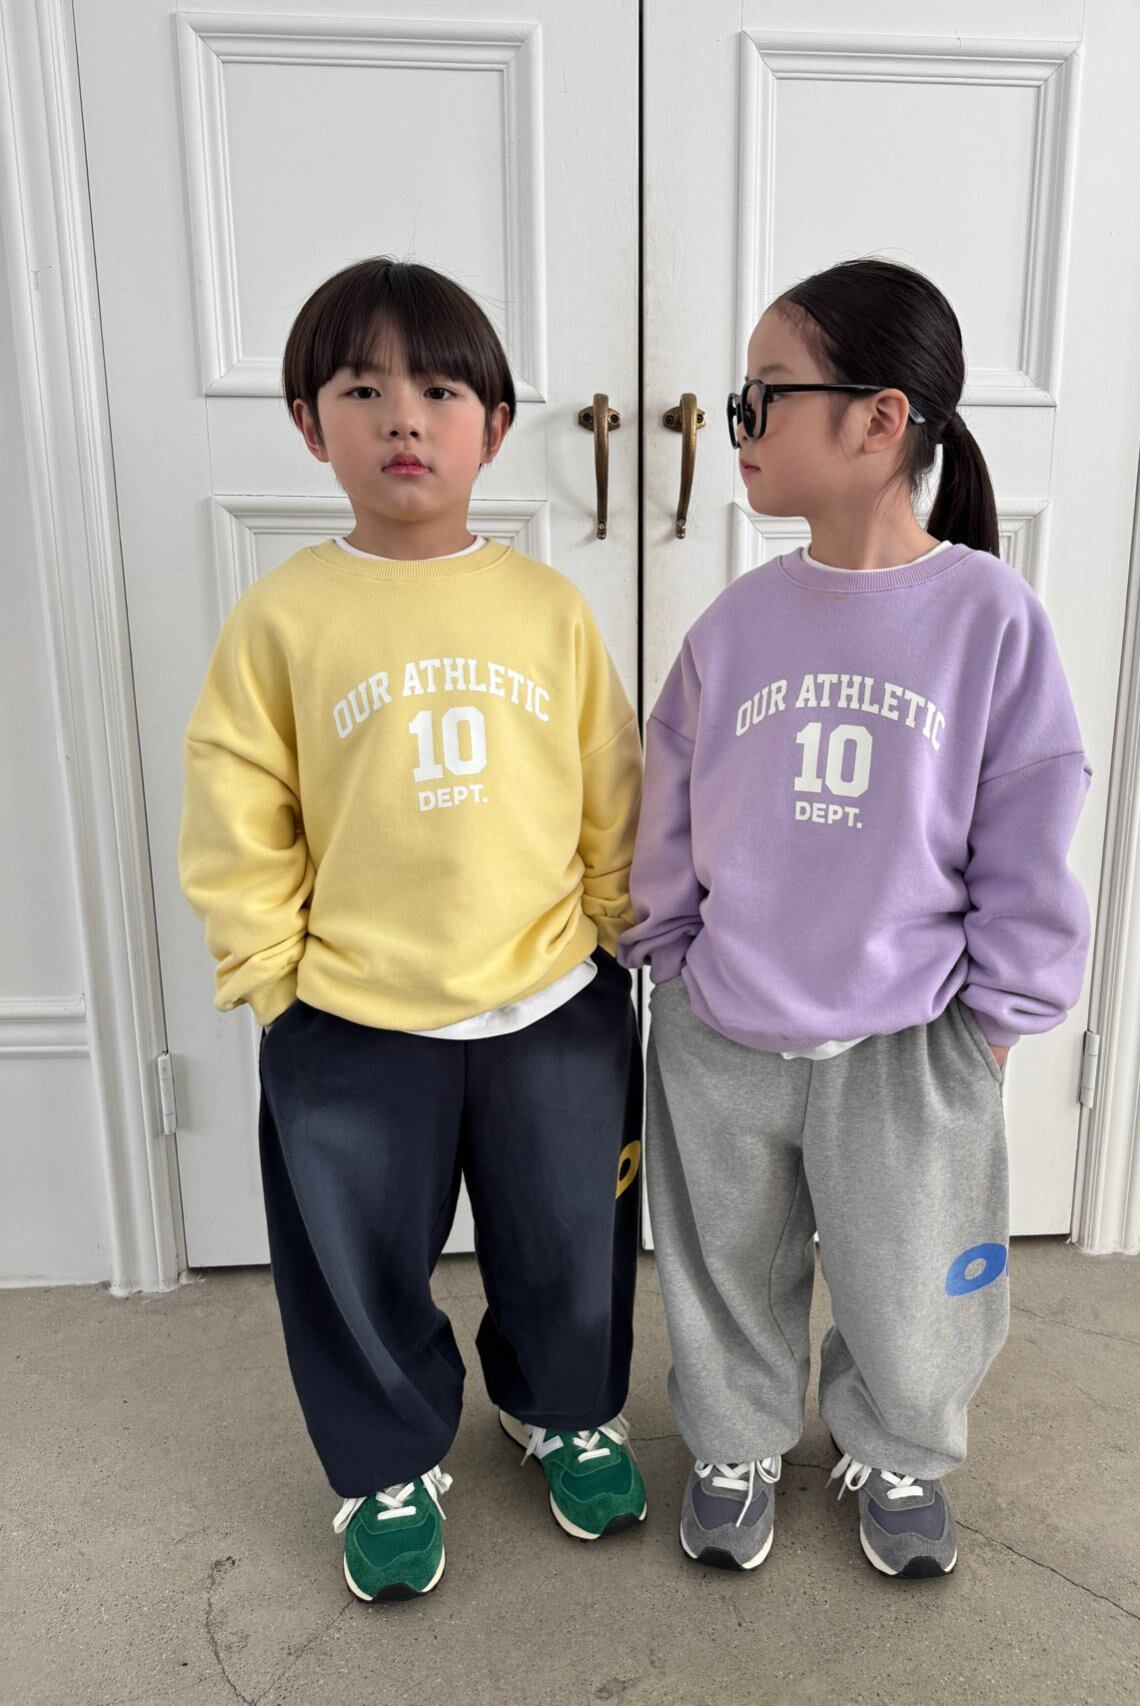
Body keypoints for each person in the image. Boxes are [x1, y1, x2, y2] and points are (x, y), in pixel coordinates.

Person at [179, 257, 648, 1603]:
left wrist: (619, 930)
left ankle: (563, 1408)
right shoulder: (282, 617)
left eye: (440, 391)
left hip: (551, 1000)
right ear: (307, 422)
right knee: (354, 1262)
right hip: (352, 1014)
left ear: (492, 427)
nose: (402, 418)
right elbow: (238, 800)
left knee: (569, 1240)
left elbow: (610, 779)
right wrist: (273, 977)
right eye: (362, 389)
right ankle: (385, 1463)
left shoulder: (547, 607)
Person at [616, 257, 1093, 1579]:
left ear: (880, 421)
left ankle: (901, 1443)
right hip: (726, 1027)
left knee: (917, 1277)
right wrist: (667, 959)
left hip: (908, 1040)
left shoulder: (989, 621)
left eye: (763, 395)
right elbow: (670, 804)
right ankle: (735, 1439)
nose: (739, 424)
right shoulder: (734, 627)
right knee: (723, 1264)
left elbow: (1030, 826)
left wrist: (997, 1022)